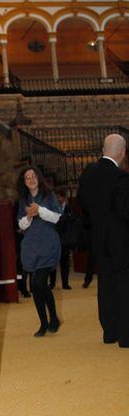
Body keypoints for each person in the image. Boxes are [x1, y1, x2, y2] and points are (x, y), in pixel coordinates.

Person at [77, 133, 129, 348]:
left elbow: (82, 202)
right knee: (124, 285)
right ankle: (126, 336)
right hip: (121, 242)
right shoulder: (121, 178)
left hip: (98, 239)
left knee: (105, 284)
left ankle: (110, 332)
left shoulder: (88, 173)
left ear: (103, 150)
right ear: (123, 154)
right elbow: (126, 212)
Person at [17, 166, 62, 337]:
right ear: (24, 182)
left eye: (33, 176)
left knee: (37, 283)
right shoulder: (23, 199)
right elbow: (21, 224)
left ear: (39, 178)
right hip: (31, 247)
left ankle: (48, 322)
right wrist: (29, 216)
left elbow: (57, 217)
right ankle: (48, 321)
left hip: (48, 245)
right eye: (27, 177)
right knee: (38, 286)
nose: (31, 179)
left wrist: (40, 210)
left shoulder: (48, 195)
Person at [49, 188, 73, 290]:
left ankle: (65, 283)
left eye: (58, 197)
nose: (57, 199)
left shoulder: (69, 209)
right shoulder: (52, 208)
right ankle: (52, 283)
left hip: (65, 240)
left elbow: (70, 223)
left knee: (65, 263)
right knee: (53, 263)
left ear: (63, 198)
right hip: (54, 239)